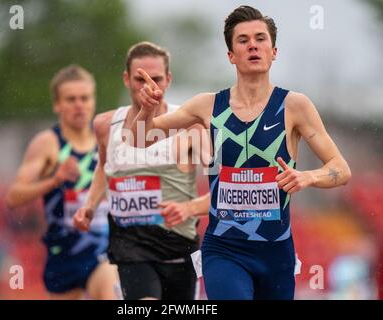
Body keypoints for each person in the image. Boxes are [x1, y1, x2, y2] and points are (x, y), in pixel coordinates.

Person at [127, 6, 352, 300]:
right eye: (243, 40)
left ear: (274, 51)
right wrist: (146, 110)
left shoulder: (295, 106)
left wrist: (307, 177)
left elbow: (341, 169)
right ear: (231, 55)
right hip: (224, 249)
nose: (253, 45)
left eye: (260, 39)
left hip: (276, 252)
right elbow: (140, 139)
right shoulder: (206, 105)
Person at [73, 42, 211, 300]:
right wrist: (90, 206)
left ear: (168, 79)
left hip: (178, 246)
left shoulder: (191, 126)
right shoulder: (105, 124)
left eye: (156, 78)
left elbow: (220, 182)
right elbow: (104, 167)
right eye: (140, 79)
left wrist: (191, 207)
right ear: (126, 79)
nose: (148, 86)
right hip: (130, 245)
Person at [6, 65, 119, 300]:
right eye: (71, 99)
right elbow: (14, 197)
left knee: (111, 288)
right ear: (58, 105)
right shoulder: (48, 143)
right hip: (63, 255)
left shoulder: (108, 140)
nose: (79, 105)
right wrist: (55, 179)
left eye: (85, 98)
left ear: (93, 101)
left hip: (103, 251)